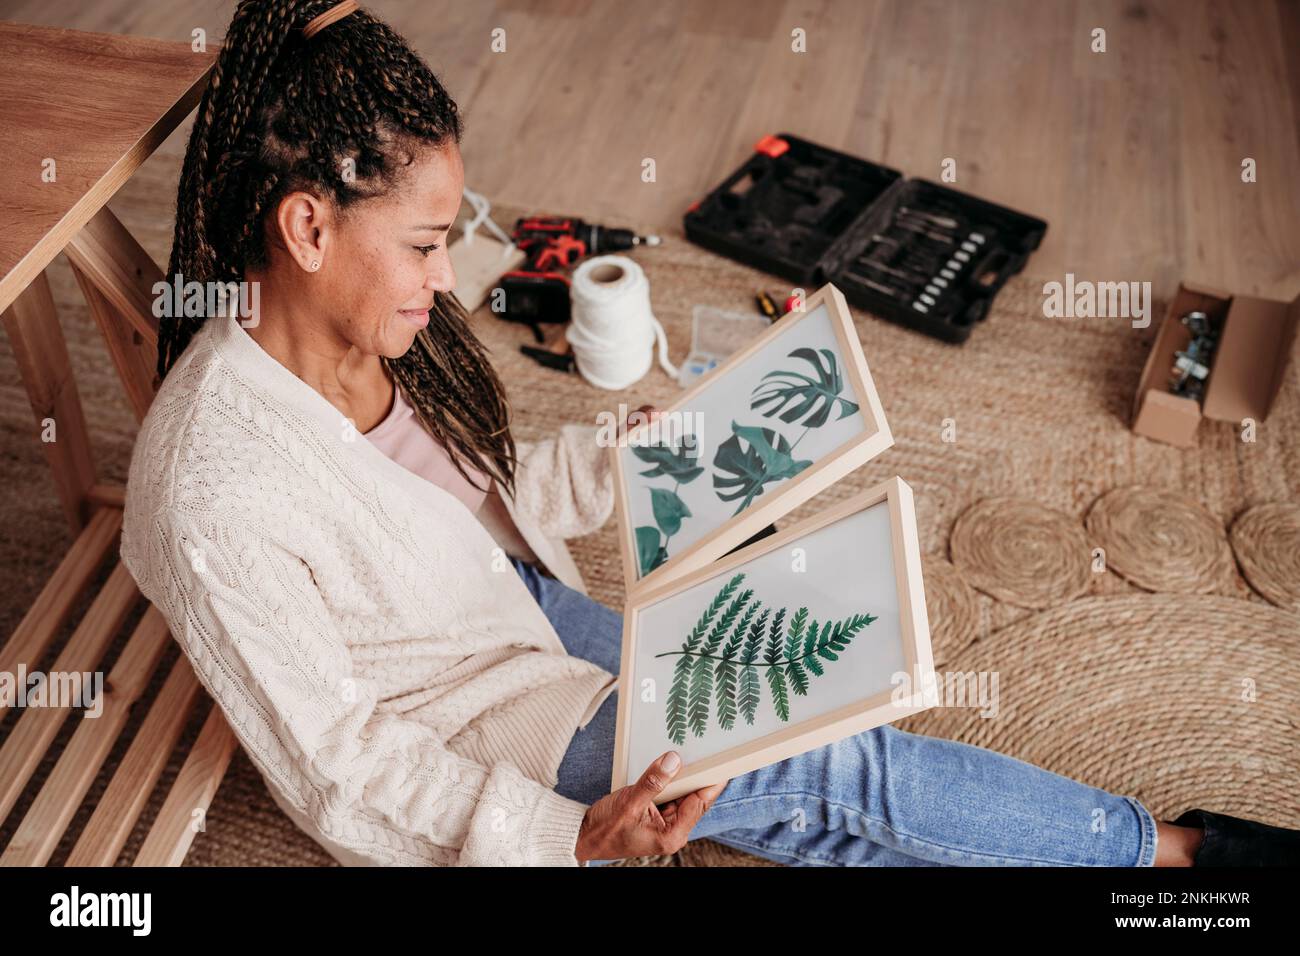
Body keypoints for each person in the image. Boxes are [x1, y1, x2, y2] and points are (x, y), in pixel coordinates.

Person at [121, 0, 1299, 867]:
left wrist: (647, 456)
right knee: (823, 769)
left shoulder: (369, 333)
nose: (448, 272)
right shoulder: (208, 486)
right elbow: (336, 764)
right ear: (307, 225)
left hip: (524, 611)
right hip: (484, 714)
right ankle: (1173, 858)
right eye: (426, 244)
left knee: (814, 746)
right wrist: (561, 839)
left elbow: (470, 498)